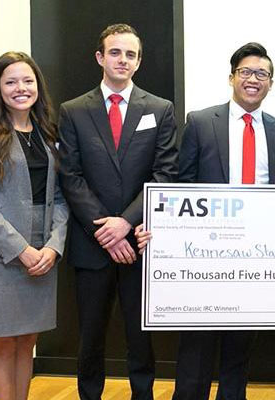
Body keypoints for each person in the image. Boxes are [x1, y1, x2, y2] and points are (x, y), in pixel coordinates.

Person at [136, 42, 275, 400]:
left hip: (256, 258)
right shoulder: (200, 121)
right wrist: (163, 230)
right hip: (205, 259)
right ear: (231, 78)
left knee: (240, 350)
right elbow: (181, 185)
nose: (253, 79)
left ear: (271, 83)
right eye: (245, 72)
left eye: (261, 74)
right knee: (196, 348)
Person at [58, 24, 178, 399]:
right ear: (100, 57)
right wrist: (106, 231)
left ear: (138, 61)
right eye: (115, 52)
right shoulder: (73, 111)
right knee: (90, 335)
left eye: (130, 54)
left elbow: (165, 174)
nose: (122, 60)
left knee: (140, 336)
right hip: (91, 244)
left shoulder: (160, 109)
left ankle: (142, 394)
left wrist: (125, 222)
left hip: (139, 243)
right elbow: (71, 177)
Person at [0, 51, 68, 400]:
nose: (21, 88)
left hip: (43, 255)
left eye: (28, 80)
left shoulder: (48, 133)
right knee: (4, 342)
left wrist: (53, 246)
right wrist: (22, 250)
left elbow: (60, 198)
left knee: (28, 340)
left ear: (38, 86)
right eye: (11, 81)